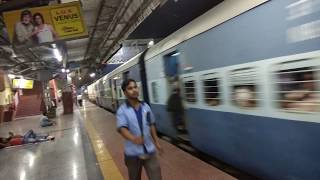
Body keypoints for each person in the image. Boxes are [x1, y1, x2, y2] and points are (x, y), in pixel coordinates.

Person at [116, 79, 162, 180]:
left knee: (157, 177)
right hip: (133, 154)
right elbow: (122, 128)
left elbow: (151, 124)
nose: (134, 90)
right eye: (130, 88)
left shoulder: (146, 107)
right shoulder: (122, 111)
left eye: (135, 87)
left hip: (149, 150)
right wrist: (133, 138)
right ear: (125, 92)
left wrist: (157, 141)